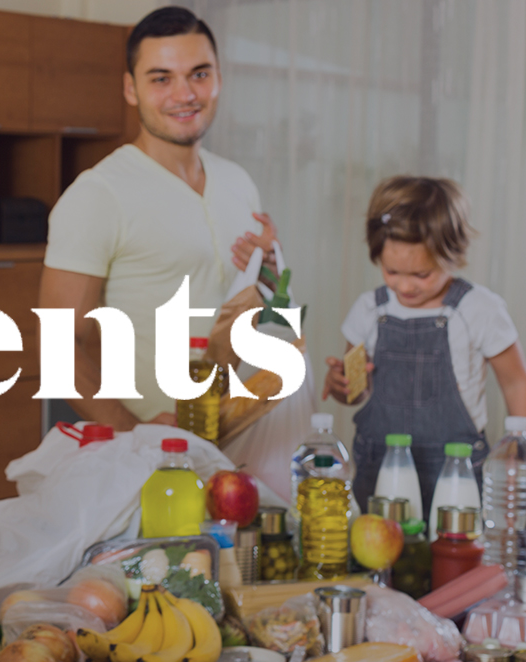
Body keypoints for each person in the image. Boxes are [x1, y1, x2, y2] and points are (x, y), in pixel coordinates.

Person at [39, 6, 279, 431]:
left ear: (219, 79)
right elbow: (56, 347)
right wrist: (137, 434)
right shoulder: (98, 194)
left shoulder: (238, 182)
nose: (184, 94)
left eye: (199, 74)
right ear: (131, 89)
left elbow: (249, 304)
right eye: (161, 78)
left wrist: (271, 271)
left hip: (236, 434)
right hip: (150, 454)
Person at [323, 176, 526, 516]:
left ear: (454, 254)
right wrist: (341, 384)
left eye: (422, 274)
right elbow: (355, 394)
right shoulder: (369, 310)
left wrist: (518, 451)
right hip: (380, 475)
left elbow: (516, 382)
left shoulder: (479, 309)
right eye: (392, 271)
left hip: (458, 474)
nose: (406, 286)